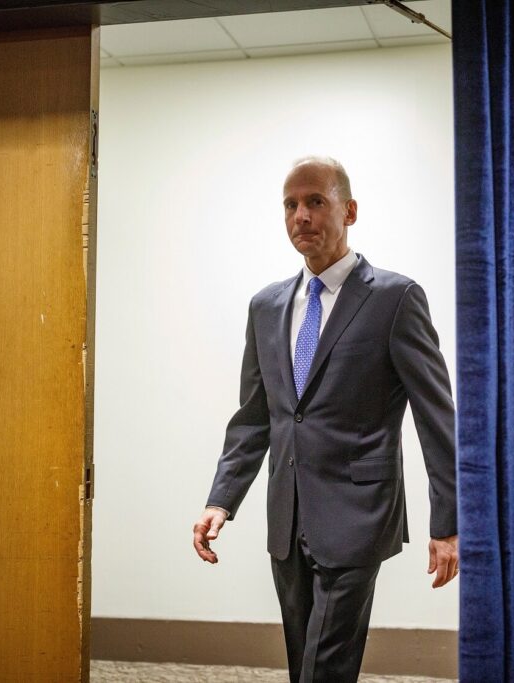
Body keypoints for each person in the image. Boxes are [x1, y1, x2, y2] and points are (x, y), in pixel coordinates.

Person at [192, 156, 458, 683]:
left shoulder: (395, 298)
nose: (301, 216)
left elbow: (436, 417)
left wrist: (448, 524)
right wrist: (221, 499)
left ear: (349, 210)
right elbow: (254, 418)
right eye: (290, 205)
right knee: (303, 660)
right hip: (287, 516)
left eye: (316, 201)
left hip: (359, 512)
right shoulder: (266, 306)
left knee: (326, 664)